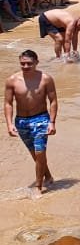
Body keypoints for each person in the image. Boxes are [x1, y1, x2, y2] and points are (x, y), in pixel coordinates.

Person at [5, 50, 58, 193]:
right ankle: (48, 177)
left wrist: (52, 122)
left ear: (36, 62)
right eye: (23, 64)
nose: (26, 66)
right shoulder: (12, 80)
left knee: (40, 152)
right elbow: (8, 103)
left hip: (41, 119)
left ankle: (38, 187)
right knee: (35, 154)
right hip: (21, 121)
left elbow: (53, 101)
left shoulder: (46, 79)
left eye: (29, 63)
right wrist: (9, 124)